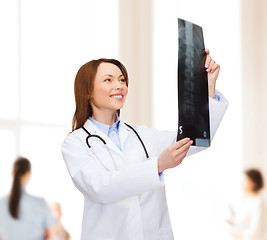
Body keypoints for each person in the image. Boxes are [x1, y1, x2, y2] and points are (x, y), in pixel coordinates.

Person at [61, 50, 228, 240]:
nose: (119, 86)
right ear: (88, 91)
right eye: (108, 80)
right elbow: (98, 187)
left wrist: (208, 86)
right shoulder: (75, 143)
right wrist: (157, 165)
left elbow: (195, 139)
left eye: (122, 80)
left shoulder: (142, 135)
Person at [0, 157, 55, 240]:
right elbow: (49, 236)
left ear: (12, 173)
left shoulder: (1, 203)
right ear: (29, 173)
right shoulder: (40, 203)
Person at [226, 169, 266, 240]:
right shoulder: (246, 199)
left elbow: (256, 230)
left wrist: (239, 234)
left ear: (253, 182)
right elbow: (244, 220)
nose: (241, 183)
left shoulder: (258, 203)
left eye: (245, 180)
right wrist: (232, 221)